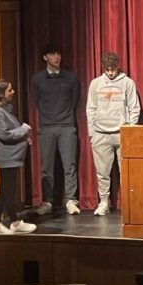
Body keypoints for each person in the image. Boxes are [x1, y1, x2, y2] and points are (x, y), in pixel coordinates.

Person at [85, 51, 140, 216]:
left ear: (118, 67)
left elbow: (134, 107)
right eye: (107, 69)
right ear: (103, 68)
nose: (110, 72)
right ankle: (103, 203)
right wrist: (91, 132)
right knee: (102, 172)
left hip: (122, 132)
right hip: (101, 133)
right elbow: (91, 108)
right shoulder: (95, 84)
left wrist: (130, 128)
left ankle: (129, 204)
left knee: (126, 171)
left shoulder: (128, 83)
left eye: (113, 68)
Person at [31, 43, 81, 215]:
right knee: (47, 167)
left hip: (67, 125)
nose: (57, 57)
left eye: (58, 53)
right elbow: (37, 100)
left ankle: (71, 200)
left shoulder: (70, 77)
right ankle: (47, 201)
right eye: (53, 54)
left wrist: (66, 118)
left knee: (70, 165)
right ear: (45, 57)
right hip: (46, 127)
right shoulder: (38, 79)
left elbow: (74, 101)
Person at [0, 79, 36, 234]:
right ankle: (14, 222)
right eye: (9, 90)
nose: (13, 92)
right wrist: (23, 129)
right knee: (9, 191)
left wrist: (24, 137)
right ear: (1, 94)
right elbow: (4, 134)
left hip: (11, 157)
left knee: (3, 190)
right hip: (7, 157)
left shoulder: (3, 110)